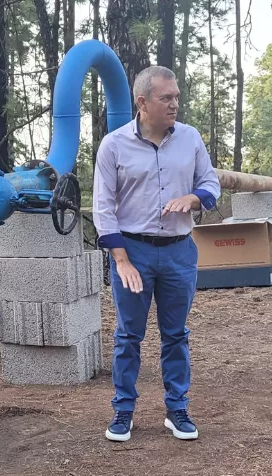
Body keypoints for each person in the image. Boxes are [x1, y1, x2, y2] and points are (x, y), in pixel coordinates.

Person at [92, 65, 221, 443]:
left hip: (180, 252)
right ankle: (123, 411)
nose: (174, 104)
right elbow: (103, 207)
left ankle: (177, 409)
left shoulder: (190, 138)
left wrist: (194, 197)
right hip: (133, 252)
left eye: (176, 97)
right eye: (166, 98)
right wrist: (121, 260)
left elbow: (210, 182)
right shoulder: (113, 145)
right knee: (128, 336)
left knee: (176, 334)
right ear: (142, 102)